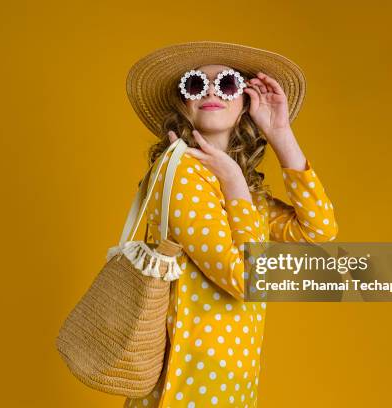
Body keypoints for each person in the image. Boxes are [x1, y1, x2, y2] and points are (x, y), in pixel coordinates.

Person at [124, 41, 338, 407]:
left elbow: (318, 230)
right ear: (182, 103)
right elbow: (247, 281)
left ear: (244, 104)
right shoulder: (183, 174)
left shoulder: (238, 188)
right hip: (189, 383)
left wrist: (281, 134)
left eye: (226, 84)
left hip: (229, 382)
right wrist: (236, 184)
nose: (210, 92)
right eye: (195, 84)